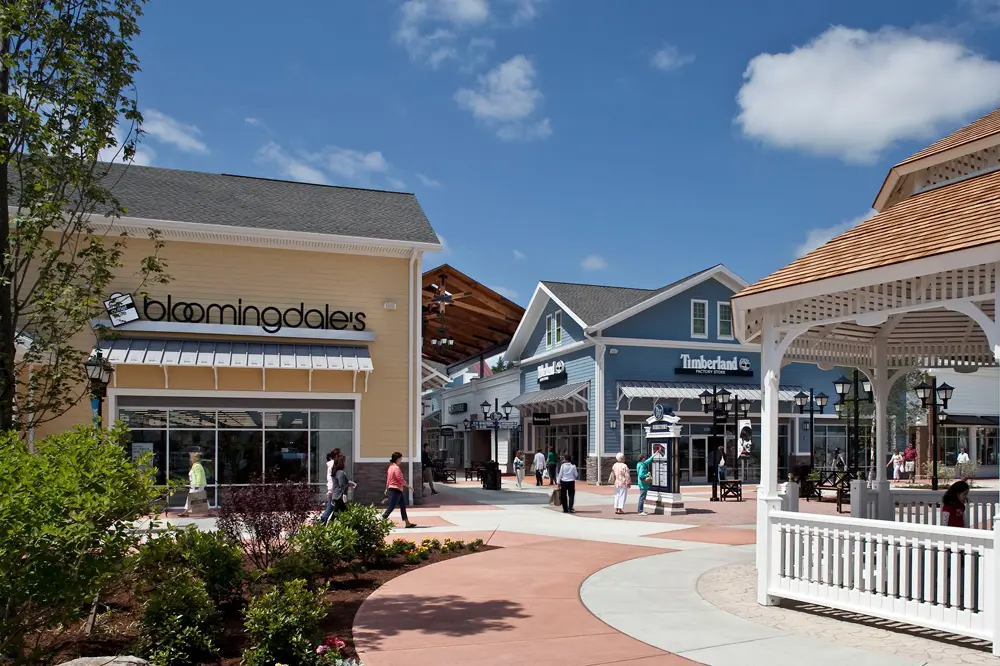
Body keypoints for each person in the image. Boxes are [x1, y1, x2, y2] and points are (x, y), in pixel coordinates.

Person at [382, 452, 416, 528]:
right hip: (395, 489)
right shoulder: (396, 468)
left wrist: (386, 488)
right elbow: (400, 479)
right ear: (397, 459)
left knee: (403, 506)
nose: (401, 460)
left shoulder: (390, 467)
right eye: (400, 458)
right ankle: (381, 520)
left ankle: (407, 523)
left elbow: (388, 479)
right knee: (391, 506)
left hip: (395, 489)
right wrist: (409, 486)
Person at [317, 451, 337, 524]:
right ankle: (323, 520)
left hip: (332, 488)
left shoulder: (331, 465)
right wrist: (331, 490)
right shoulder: (333, 465)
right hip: (334, 489)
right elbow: (333, 479)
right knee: (331, 506)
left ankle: (325, 521)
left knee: (332, 506)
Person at [635, 451, 654, 516]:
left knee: (642, 497)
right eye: (644, 458)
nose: (645, 459)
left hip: (641, 483)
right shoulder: (642, 466)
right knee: (642, 497)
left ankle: (640, 510)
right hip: (643, 484)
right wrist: (647, 475)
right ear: (642, 459)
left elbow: (647, 461)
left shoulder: (639, 464)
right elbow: (641, 475)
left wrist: (654, 455)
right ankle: (640, 511)